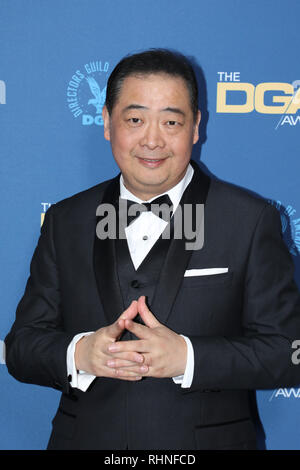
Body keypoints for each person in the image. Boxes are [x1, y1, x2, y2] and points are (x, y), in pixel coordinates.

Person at [5, 49, 300, 450]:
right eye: (135, 119)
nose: (152, 140)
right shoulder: (65, 220)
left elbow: (288, 353)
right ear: (107, 123)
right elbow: (22, 348)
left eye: (171, 121)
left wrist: (188, 357)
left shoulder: (250, 220)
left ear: (196, 126)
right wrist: (81, 353)